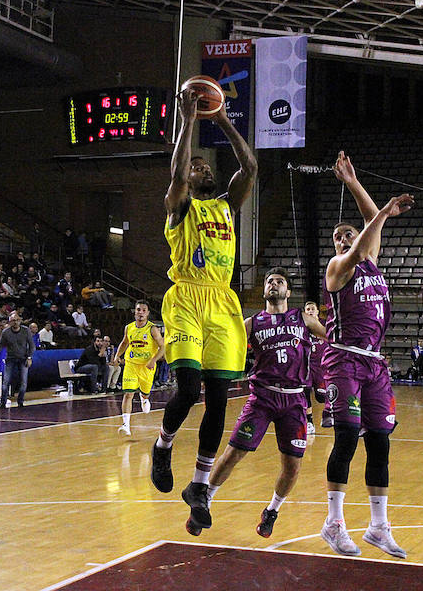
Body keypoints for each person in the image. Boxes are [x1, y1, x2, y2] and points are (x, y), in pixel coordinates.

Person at [150, 86, 258, 530]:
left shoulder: (228, 206)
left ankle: (199, 484)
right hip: (187, 298)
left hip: (223, 300)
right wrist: (189, 119)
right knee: (189, 389)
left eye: (205, 165)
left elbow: (249, 166)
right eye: (196, 166)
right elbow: (176, 173)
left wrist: (224, 121)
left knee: (218, 400)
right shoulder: (180, 206)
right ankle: (162, 444)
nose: (201, 168)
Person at [319, 150, 412, 558]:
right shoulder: (339, 267)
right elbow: (360, 245)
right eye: (338, 236)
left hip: (374, 364)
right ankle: (334, 523)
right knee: (345, 438)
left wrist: (355, 184)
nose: (345, 239)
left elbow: (370, 232)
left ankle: (378, 526)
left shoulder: (371, 263)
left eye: (349, 232)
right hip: (343, 360)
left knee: (380, 441)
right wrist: (384, 214)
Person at [195, 268, 326, 537]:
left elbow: (333, 338)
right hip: (262, 397)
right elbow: (225, 347)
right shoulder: (252, 323)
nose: (274, 285)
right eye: (269, 281)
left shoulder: (303, 318)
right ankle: (204, 501)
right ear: (265, 290)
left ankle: (272, 511)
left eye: (279, 282)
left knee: (292, 466)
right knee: (234, 453)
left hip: (294, 401)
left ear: (288, 292)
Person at [111, 300, 165, 436]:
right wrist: (117, 355)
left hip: (147, 366)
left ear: (147, 313)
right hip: (131, 364)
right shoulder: (129, 327)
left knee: (145, 391)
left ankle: (144, 397)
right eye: (138, 310)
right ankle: (126, 425)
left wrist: (153, 360)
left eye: (143, 310)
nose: (140, 312)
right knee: (128, 394)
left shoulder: (153, 329)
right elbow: (124, 342)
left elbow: (163, 346)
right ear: (135, 312)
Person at [0, 311, 35, 408]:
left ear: (20, 321)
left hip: (23, 358)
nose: (16, 322)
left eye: (17, 320)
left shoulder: (26, 331)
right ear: (10, 322)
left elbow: (32, 345)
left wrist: (29, 357)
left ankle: (20, 401)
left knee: (23, 382)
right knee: (6, 381)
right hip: (10, 358)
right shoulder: (6, 332)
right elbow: (0, 344)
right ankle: (3, 402)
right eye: (13, 320)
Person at [305, 301, 331, 431]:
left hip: (321, 368)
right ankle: (309, 422)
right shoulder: (302, 327)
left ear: (316, 311)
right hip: (306, 367)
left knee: (321, 397)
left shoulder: (324, 325)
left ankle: (331, 410)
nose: (310, 311)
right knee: (304, 394)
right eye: (307, 309)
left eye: (312, 309)